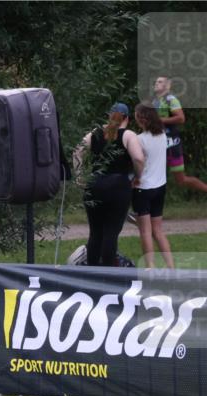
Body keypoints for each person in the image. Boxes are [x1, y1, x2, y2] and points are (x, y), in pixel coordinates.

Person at [73, 103, 145, 268]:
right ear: (127, 118)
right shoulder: (128, 135)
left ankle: (92, 271)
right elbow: (139, 159)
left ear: (109, 116)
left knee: (96, 233)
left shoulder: (95, 133)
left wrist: (79, 176)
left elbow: (77, 151)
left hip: (94, 185)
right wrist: (138, 176)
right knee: (111, 232)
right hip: (118, 187)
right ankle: (108, 272)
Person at [132, 103, 174, 269]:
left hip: (143, 188)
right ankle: (171, 267)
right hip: (160, 188)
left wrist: (136, 178)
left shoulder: (139, 139)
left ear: (141, 118)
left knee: (145, 232)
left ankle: (150, 267)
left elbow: (138, 162)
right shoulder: (163, 135)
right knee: (158, 231)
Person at [152, 76, 207, 193]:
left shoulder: (171, 99)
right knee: (149, 173)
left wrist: (160, 120)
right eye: (156, 82)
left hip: (172, 143)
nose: (156, 84)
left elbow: (181, 118)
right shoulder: (155, 101)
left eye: (160, 82)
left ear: (167, 86)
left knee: (181, 180)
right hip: (157, 143)